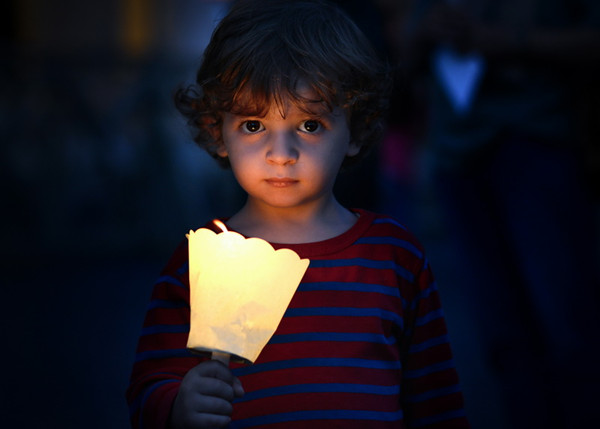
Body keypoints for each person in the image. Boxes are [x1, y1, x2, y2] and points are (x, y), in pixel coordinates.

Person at [126, 1, 469, 427]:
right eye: (254, 125)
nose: (281, 155)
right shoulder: (198, 266)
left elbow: (436, 400)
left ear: (355, 132)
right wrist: (178, 405)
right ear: (217, 132)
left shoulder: (394, 257)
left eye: (310, 125)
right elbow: (147, 388)